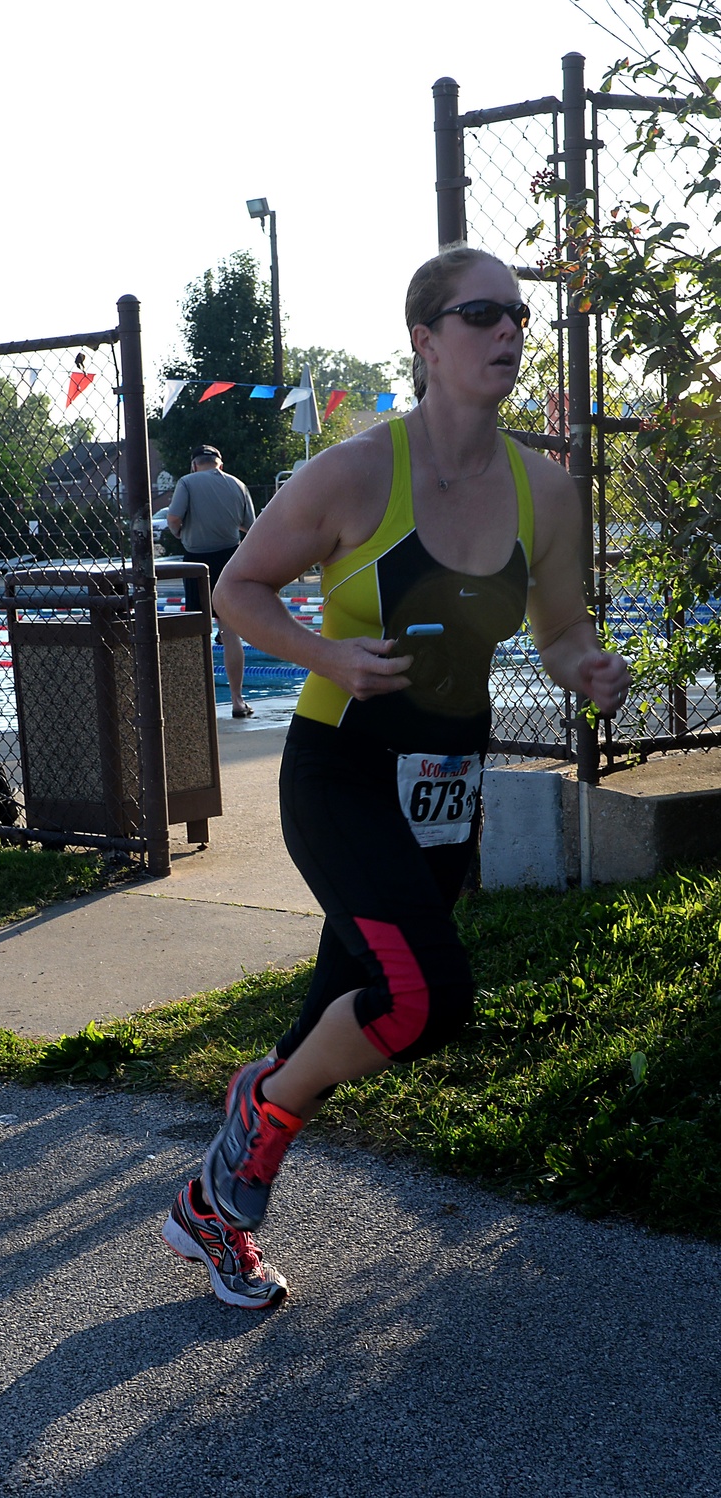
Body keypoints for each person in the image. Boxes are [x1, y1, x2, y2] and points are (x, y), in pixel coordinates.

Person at [160, 246, 631, 1310]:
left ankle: (215, 1205)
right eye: (480, 314)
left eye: (516, 315)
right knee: (424, 995)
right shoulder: (356, 471)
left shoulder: (544, 489)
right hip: (341, 772)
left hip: (444, 786)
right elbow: (238, 589)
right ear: (424, 340)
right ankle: (253, 1112)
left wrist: (585, 666)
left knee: (349, 1004)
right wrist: (330, 655)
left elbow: (559, 629)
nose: (507, 331)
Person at [167, 443, 256, 717]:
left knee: (197, 632)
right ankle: (238, 701)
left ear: (194, 464)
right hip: (229, 561)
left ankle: (198, 703)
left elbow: (173, 518)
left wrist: (181, 534)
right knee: (230, 631)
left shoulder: (187, 482)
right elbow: (250, 526)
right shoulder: (238, 484)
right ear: (221, 463)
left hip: (196, 563)